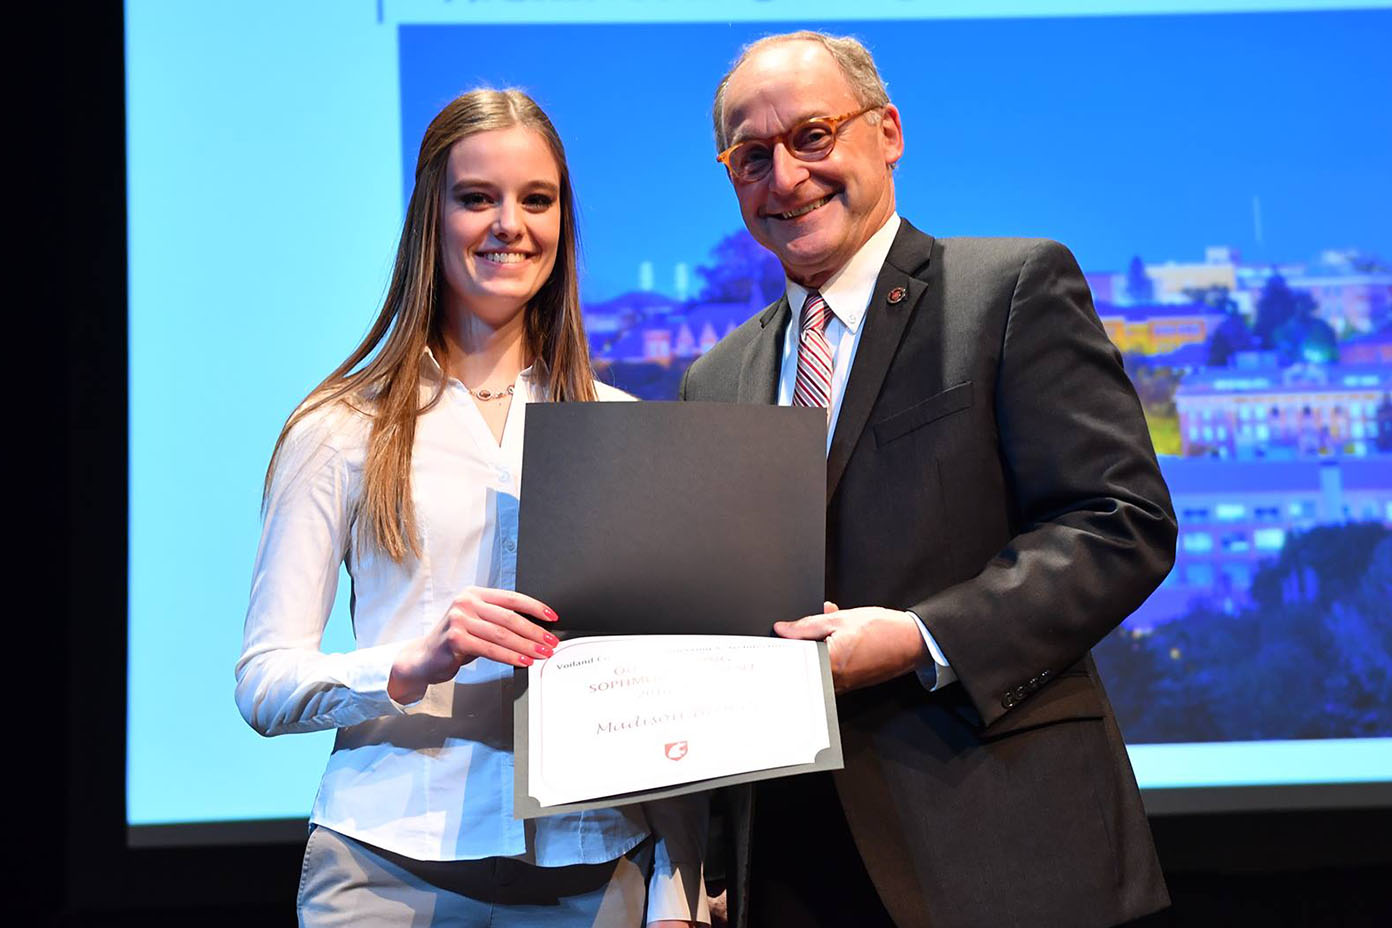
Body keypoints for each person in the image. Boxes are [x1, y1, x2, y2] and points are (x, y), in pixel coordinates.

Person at [681, 32, 1176, 928]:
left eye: (813, 136)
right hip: (789, 864)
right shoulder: (713, 380)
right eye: (752, 157)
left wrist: (918, 637)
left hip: (1000, 845)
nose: (786, 178)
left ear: (889, 132)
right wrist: (711, 861)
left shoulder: (1010, 289)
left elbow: (1120, 521)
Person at [236, 88, 707, 928]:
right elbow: (264, 683)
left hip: (592, 862)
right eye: (476, 198)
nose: (509, 224)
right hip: (383, 863)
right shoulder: (339, 427)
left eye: (537, 200)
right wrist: (408, 665)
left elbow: (659, 685)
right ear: (431, 215)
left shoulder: (622, 426)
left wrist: (675, 889)